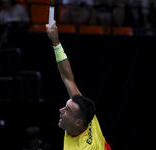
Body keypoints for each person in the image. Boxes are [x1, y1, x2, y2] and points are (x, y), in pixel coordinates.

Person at [46, 21, 111, 150]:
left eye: (67, 110)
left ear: (78, 123)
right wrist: (55, 41)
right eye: (66, 107)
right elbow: (67, 77)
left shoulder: (83, 148)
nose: (61, 110)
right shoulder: (84, 113)